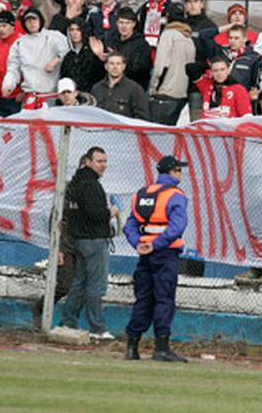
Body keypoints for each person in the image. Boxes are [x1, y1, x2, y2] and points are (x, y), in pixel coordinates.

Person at [124, 156, 190, 363]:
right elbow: (177, 227)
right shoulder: (176, 195)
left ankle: (132, 347)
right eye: (179, 170)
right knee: (164, 298)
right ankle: (161, 348)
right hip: (165, 253)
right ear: (172, 171)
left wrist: (139, 243)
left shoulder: (142, 194)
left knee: (143, 298)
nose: (181, 174)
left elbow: (130, 226)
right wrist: (157, 244)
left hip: (144, 254)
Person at [60, 147, 117, 340]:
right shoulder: (91, 185)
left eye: (105, 161)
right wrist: (111, 212)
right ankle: (97, 328)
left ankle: (68, 322)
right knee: (96, 285)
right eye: (99, 161)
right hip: (94, 240)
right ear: (88, 162)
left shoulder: (75, 184)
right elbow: (95, 214)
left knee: (79, 283)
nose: (103, 165)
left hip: (79, 239)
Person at [91, 52, 151, 121]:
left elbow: (142, 117)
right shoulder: (96, 89)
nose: (115, 67)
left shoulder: (135, 89)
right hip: (99, 130)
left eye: (118, 64)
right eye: (111, 63)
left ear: (124, 67)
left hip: (125, 130)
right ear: (106, 66)